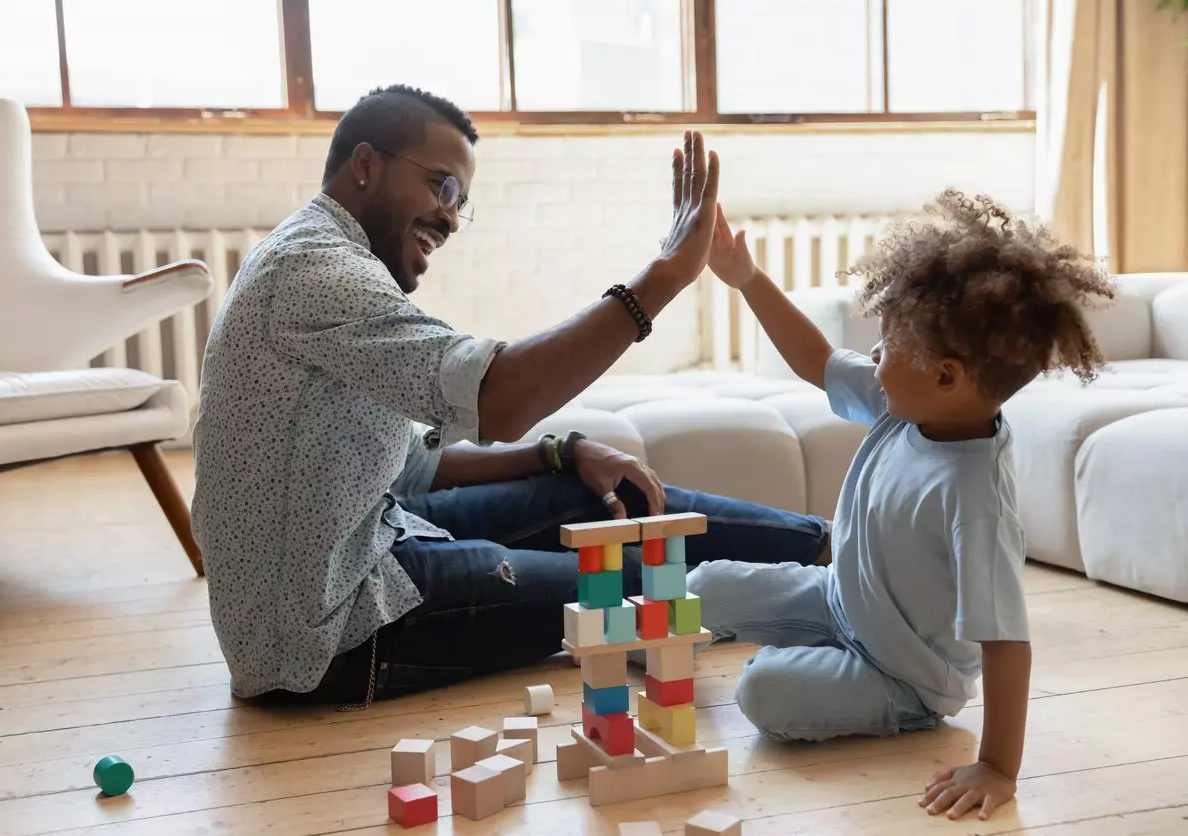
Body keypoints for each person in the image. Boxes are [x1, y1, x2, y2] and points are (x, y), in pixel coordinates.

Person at [189, 85, 830, 711]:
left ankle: (831, 547)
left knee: (598, 497)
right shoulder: (316, 271)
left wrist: (561, 452)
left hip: (377, 539)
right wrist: (665, 276)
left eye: (459, 200)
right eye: (441, 185)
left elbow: (411, 467)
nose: (449, 215)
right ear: (365, 165)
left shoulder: (329, 259)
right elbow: (499, 401)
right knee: (652, 589)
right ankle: (842, 598)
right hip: (324, 630)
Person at [687, 191, 1114, 822]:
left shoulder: (977, 500)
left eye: (886, 347)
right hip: (839, 599)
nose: (874, 360)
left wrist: (997, 766)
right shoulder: (904, 402)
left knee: (761, 690)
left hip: (903, 672)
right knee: (699, 588)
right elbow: (814, 360)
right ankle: (652, 647)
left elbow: (1007, 645)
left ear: (946, 376)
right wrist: (746, 279)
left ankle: (881, 704)